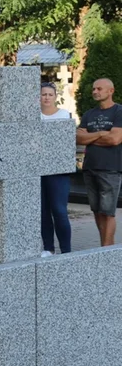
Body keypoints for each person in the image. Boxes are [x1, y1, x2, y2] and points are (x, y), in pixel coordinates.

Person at [76, 78, 122, 247]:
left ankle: (107, 248)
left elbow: (115, 139)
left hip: (110, 169)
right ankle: (103, 246)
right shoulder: (89, 114)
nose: (95, 91)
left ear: (111, 91)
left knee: (108, 212)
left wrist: (90, 137)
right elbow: (78, 137)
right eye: (94, 89)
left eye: (99, 89)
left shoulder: (119, 112)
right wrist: (102, 133)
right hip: (90, 168)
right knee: (96, 210)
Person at [40, 83, 72, 256]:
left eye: (50, 94)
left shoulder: (63, 115)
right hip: (39, 168)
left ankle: (66, 249)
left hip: (58, 170)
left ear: (55, 96)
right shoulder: (35, 116)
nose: (46, 97)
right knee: (43, 211)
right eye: (43, 94)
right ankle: (48, 247)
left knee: (59, 210)